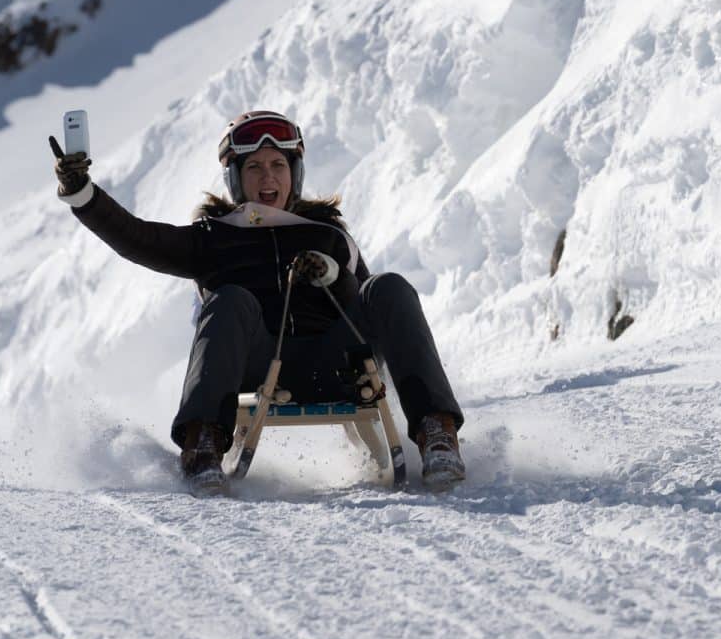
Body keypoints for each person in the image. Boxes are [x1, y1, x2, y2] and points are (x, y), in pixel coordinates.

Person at [47, 110, 465, 490]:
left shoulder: (328, 235)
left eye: (278, 166)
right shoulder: (212, 238)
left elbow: (370, 311)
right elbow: (136, 237)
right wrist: (82, 195)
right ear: (235, 179)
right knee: (230, 299)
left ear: (294, 173)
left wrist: (334, 276)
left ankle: (436, 431)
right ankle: (203, 444)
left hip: (336, 364)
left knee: (388, 286)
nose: (269, 178)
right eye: (255, 168)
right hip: (256, 367)